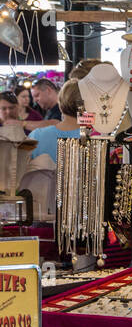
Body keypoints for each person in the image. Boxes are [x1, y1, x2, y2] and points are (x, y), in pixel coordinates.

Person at [23, 79, 81, 221]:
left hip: (42, 216)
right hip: (82, 218)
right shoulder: (96, 139)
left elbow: (18, 175)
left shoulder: (37, 136)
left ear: (60, 103)